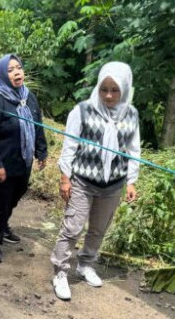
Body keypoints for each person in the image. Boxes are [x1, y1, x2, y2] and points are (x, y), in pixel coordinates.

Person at [50, 62, 140, 300]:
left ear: (125, 89)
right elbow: (69, 146)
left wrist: (131, 181)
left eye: (115, 90)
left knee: (99, 229)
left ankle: (86, 264)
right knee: (73, 227)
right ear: (98, 88)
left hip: (112, 185)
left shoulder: (131, 114)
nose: (109, 95)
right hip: (83, 181)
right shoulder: (83, 110)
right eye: (104, 89)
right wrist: (65, 178)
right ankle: (60, 271)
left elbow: (133, 150)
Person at [0, 54, 47, 264]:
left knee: (16, 195)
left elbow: (37, 124)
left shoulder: (28, 96)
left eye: (19, 68)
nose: (17, 72)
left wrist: (41, 151)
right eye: (10, 70)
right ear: (2, 74)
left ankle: (3, 225)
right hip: (1, 163)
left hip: (22, 160)